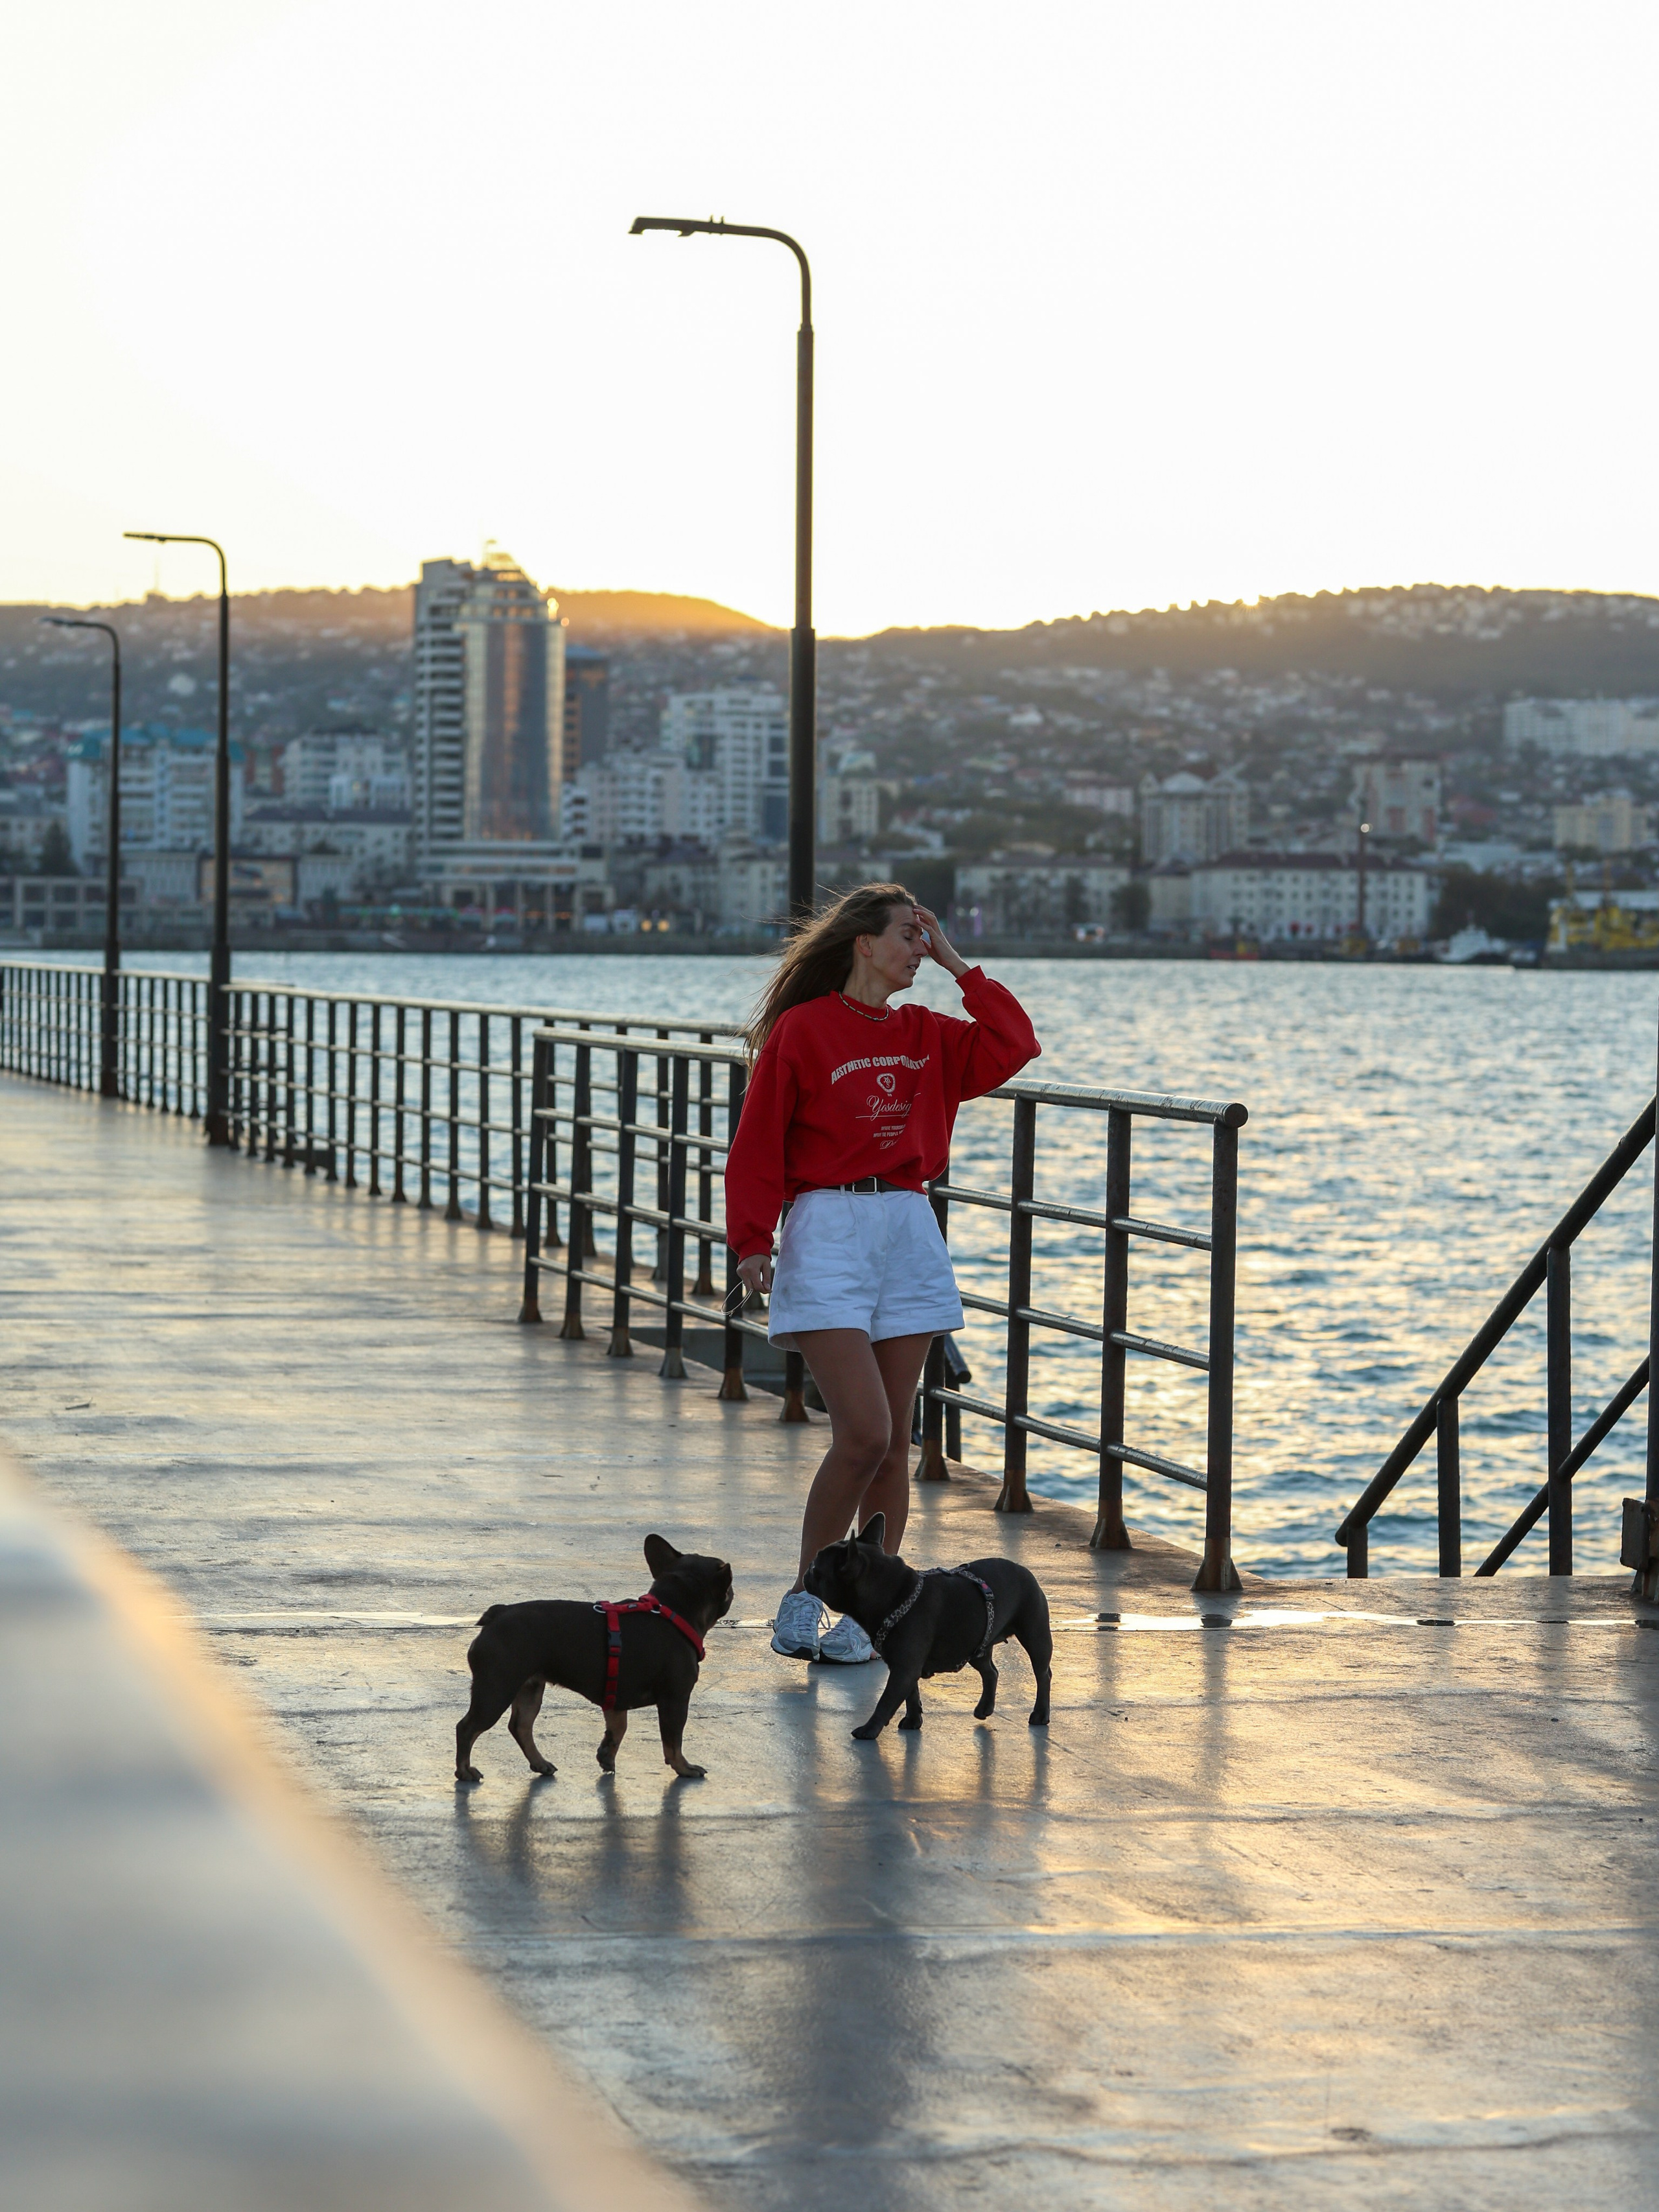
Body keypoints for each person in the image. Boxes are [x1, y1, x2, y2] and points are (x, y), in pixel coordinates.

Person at [724, 883, 1040, 1663]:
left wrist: (961, 964)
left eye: (926, 938)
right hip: (827, 1225)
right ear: (862, 943)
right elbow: (758, 1142)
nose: (918, 950)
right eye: (907, 934)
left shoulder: (931, 1034)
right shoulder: (803, 1030)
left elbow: (1015, 1042)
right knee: (861, 1432)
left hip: (905, 1223)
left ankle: (879, 1613)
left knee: (896, 1441)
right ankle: (804, 1595)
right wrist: (751, 1240)